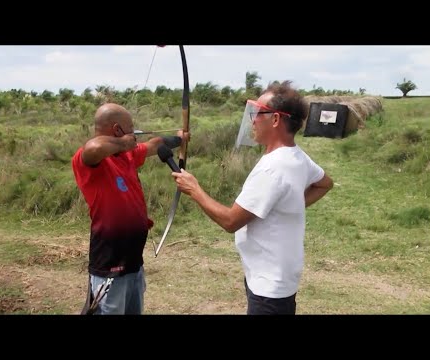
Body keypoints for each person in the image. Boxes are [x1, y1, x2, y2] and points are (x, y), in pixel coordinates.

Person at [171, 81, 333, 315]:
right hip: (275, 277)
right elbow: (324, 183)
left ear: (276, 120)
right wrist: (287, 207)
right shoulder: (296, 156)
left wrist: (194, 189)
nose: (252, 120)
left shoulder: (272, 168)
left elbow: (230, 221)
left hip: (269, 288)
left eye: (257, 113)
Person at [72, 103, 188, 315]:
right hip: (109, 264)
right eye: (130, 127)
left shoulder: (127, 156)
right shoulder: (89, 162)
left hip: (134, 263)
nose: (134, 132)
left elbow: (155, 144)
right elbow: (93, 148)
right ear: (117, 130)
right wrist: (123, 144)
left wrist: (180, 139)